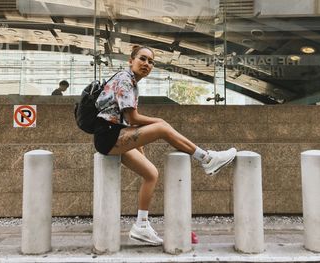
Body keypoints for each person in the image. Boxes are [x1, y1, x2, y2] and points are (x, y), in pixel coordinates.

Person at [94, 45, 237, 246]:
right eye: (142, 59)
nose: (146, 64)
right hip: (109, 136)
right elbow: (132, 117)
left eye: (151, 62)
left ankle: (141, 226)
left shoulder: (131, 81)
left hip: (117, 135)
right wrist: (158, 121)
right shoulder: (125, 79)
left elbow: (131, 124)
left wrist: (141, 148)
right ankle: (206, 159)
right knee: (162, 127)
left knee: (151, 174)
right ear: (131, 60)